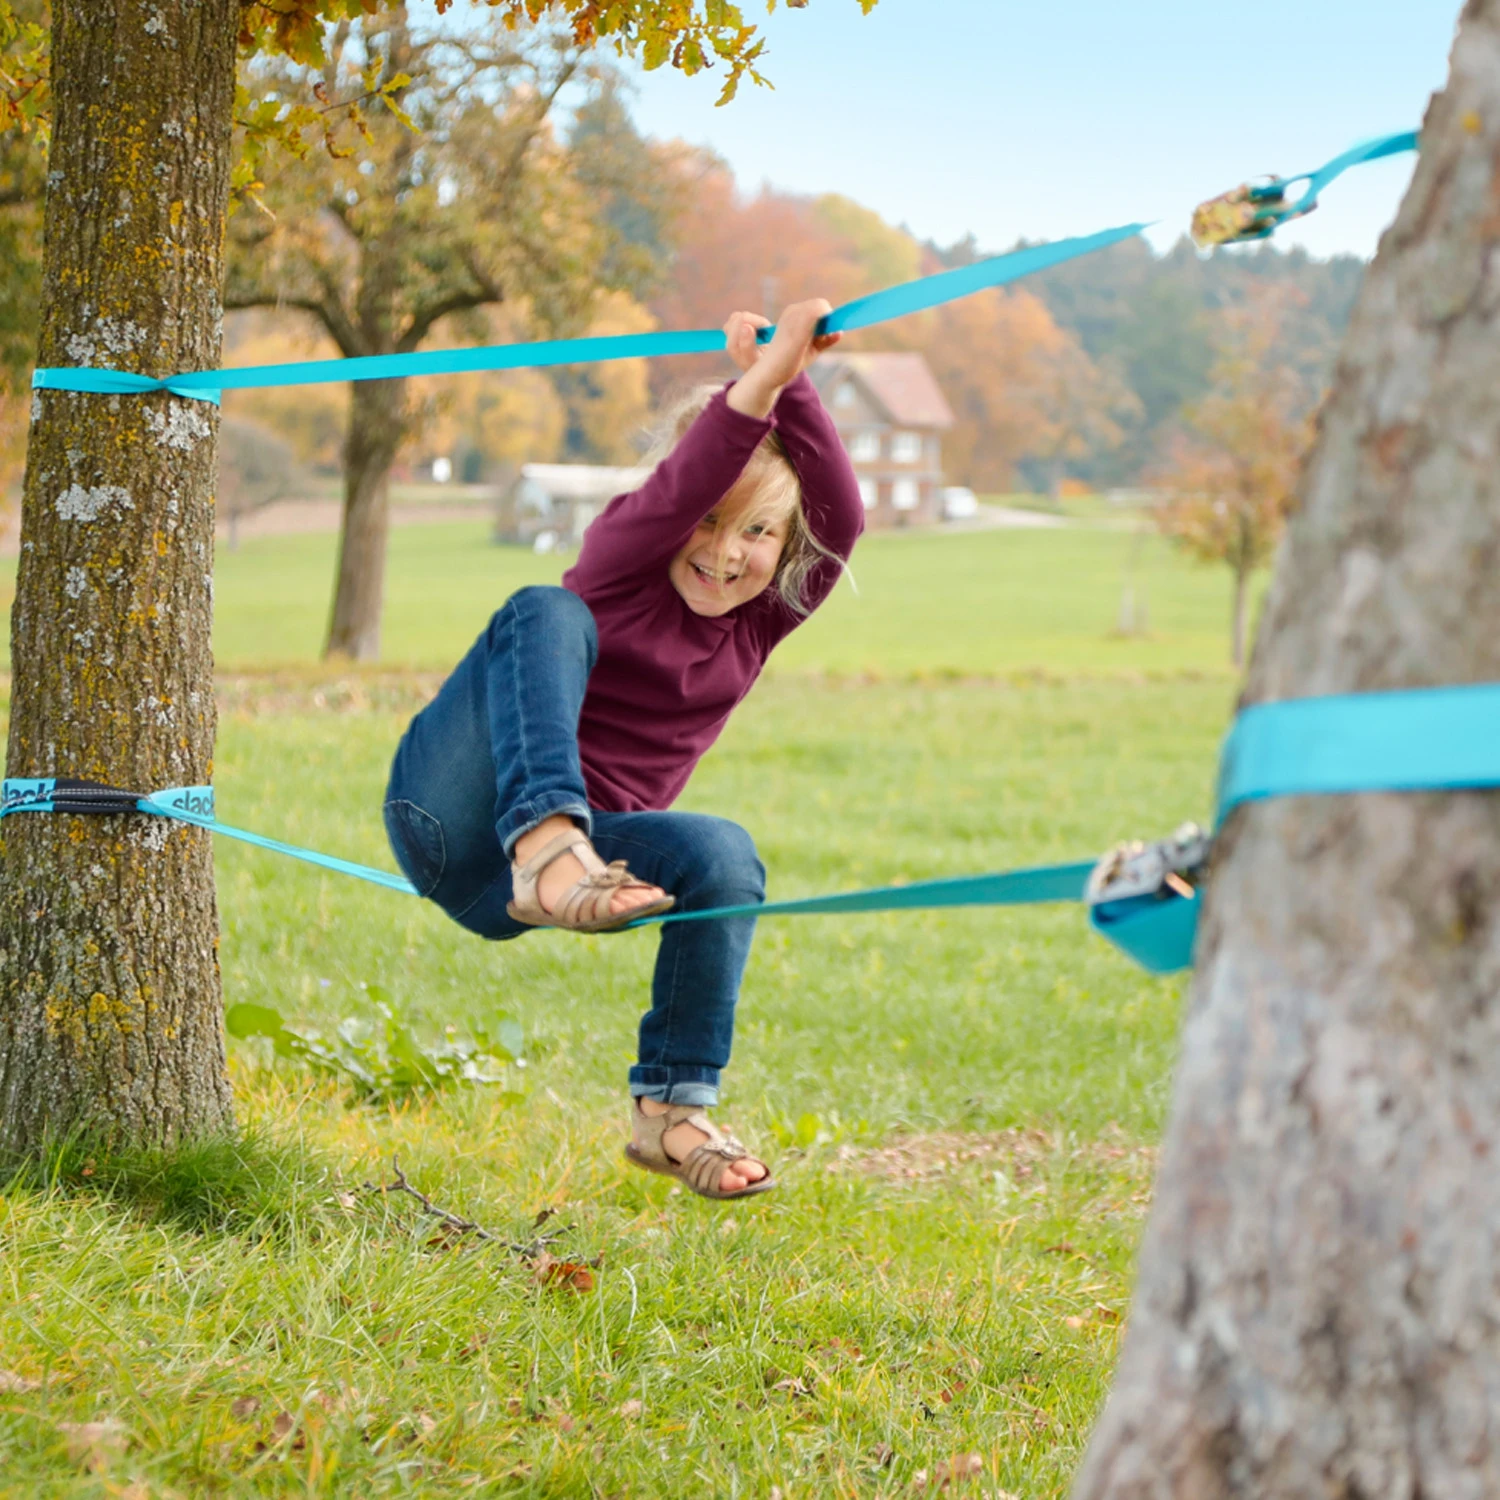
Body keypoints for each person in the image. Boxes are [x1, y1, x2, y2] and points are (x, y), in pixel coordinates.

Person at [382, 300, 864, 1200]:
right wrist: (756, 384)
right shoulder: (616, 567)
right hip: (452, 817)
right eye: (709, 522)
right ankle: (545, 844)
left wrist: (792, 385)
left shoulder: (761, 625)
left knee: (725, 851)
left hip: (569, 881)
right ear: (672, 514)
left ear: (787, 546)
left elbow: (841, 516)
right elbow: (681, 493)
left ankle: (670, 1113)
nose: (726, 554)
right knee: (543, 608)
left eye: (758, 533)